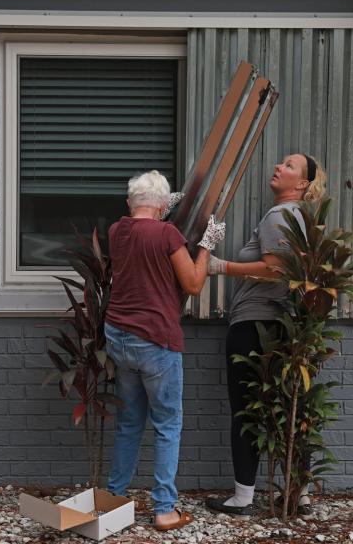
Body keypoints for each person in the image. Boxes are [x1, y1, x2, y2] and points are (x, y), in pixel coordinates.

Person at [204, 153, 327, 516]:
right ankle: (298, 495)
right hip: (285, 328)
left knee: (245, 411)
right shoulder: (304, 219)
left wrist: (220, 266)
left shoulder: (280, 215)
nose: (278, 167)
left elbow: (276, 269)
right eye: (281, 163)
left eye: (289, 166)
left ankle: (242, 497)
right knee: (288, 410)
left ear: (302, 184)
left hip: (255, 325)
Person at [104, 170, 226, 531]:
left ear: (130, 204)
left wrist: (158, 208)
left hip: (119, 337)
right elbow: (191, 282)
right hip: (156, 340)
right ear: (161, 206)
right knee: (167, 425)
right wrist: (206, 245)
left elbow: (143, 233)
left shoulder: (116, 231)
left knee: (129, 423)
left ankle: (113, 500)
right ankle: (164, 510)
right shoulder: (167, 233)